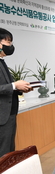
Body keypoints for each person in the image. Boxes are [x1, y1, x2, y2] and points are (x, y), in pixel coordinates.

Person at [0, 28, 33, 157]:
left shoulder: (2, 62)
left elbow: (6, 87)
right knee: (3, 152)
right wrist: (14, 85)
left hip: (10, 113)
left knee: (9, 150)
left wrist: (19, 89)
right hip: (2, 116)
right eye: (8, 42)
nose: (11, 46)